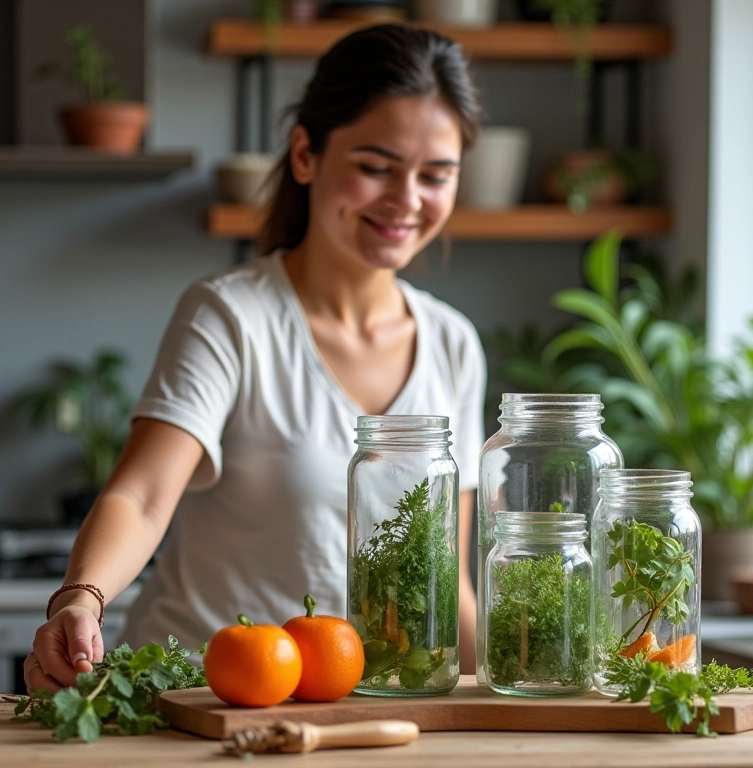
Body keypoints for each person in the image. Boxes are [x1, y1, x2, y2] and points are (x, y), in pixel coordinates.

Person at [25, 23, 487, 693]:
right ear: (305, 155)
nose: (407, 199)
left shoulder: (452, 343)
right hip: (194, 702)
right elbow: (144, 494)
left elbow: (452, 586)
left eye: (436, 175)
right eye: (375, 167)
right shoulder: (230, 315)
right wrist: (81, 597)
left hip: (346, 711)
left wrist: (523, 690)